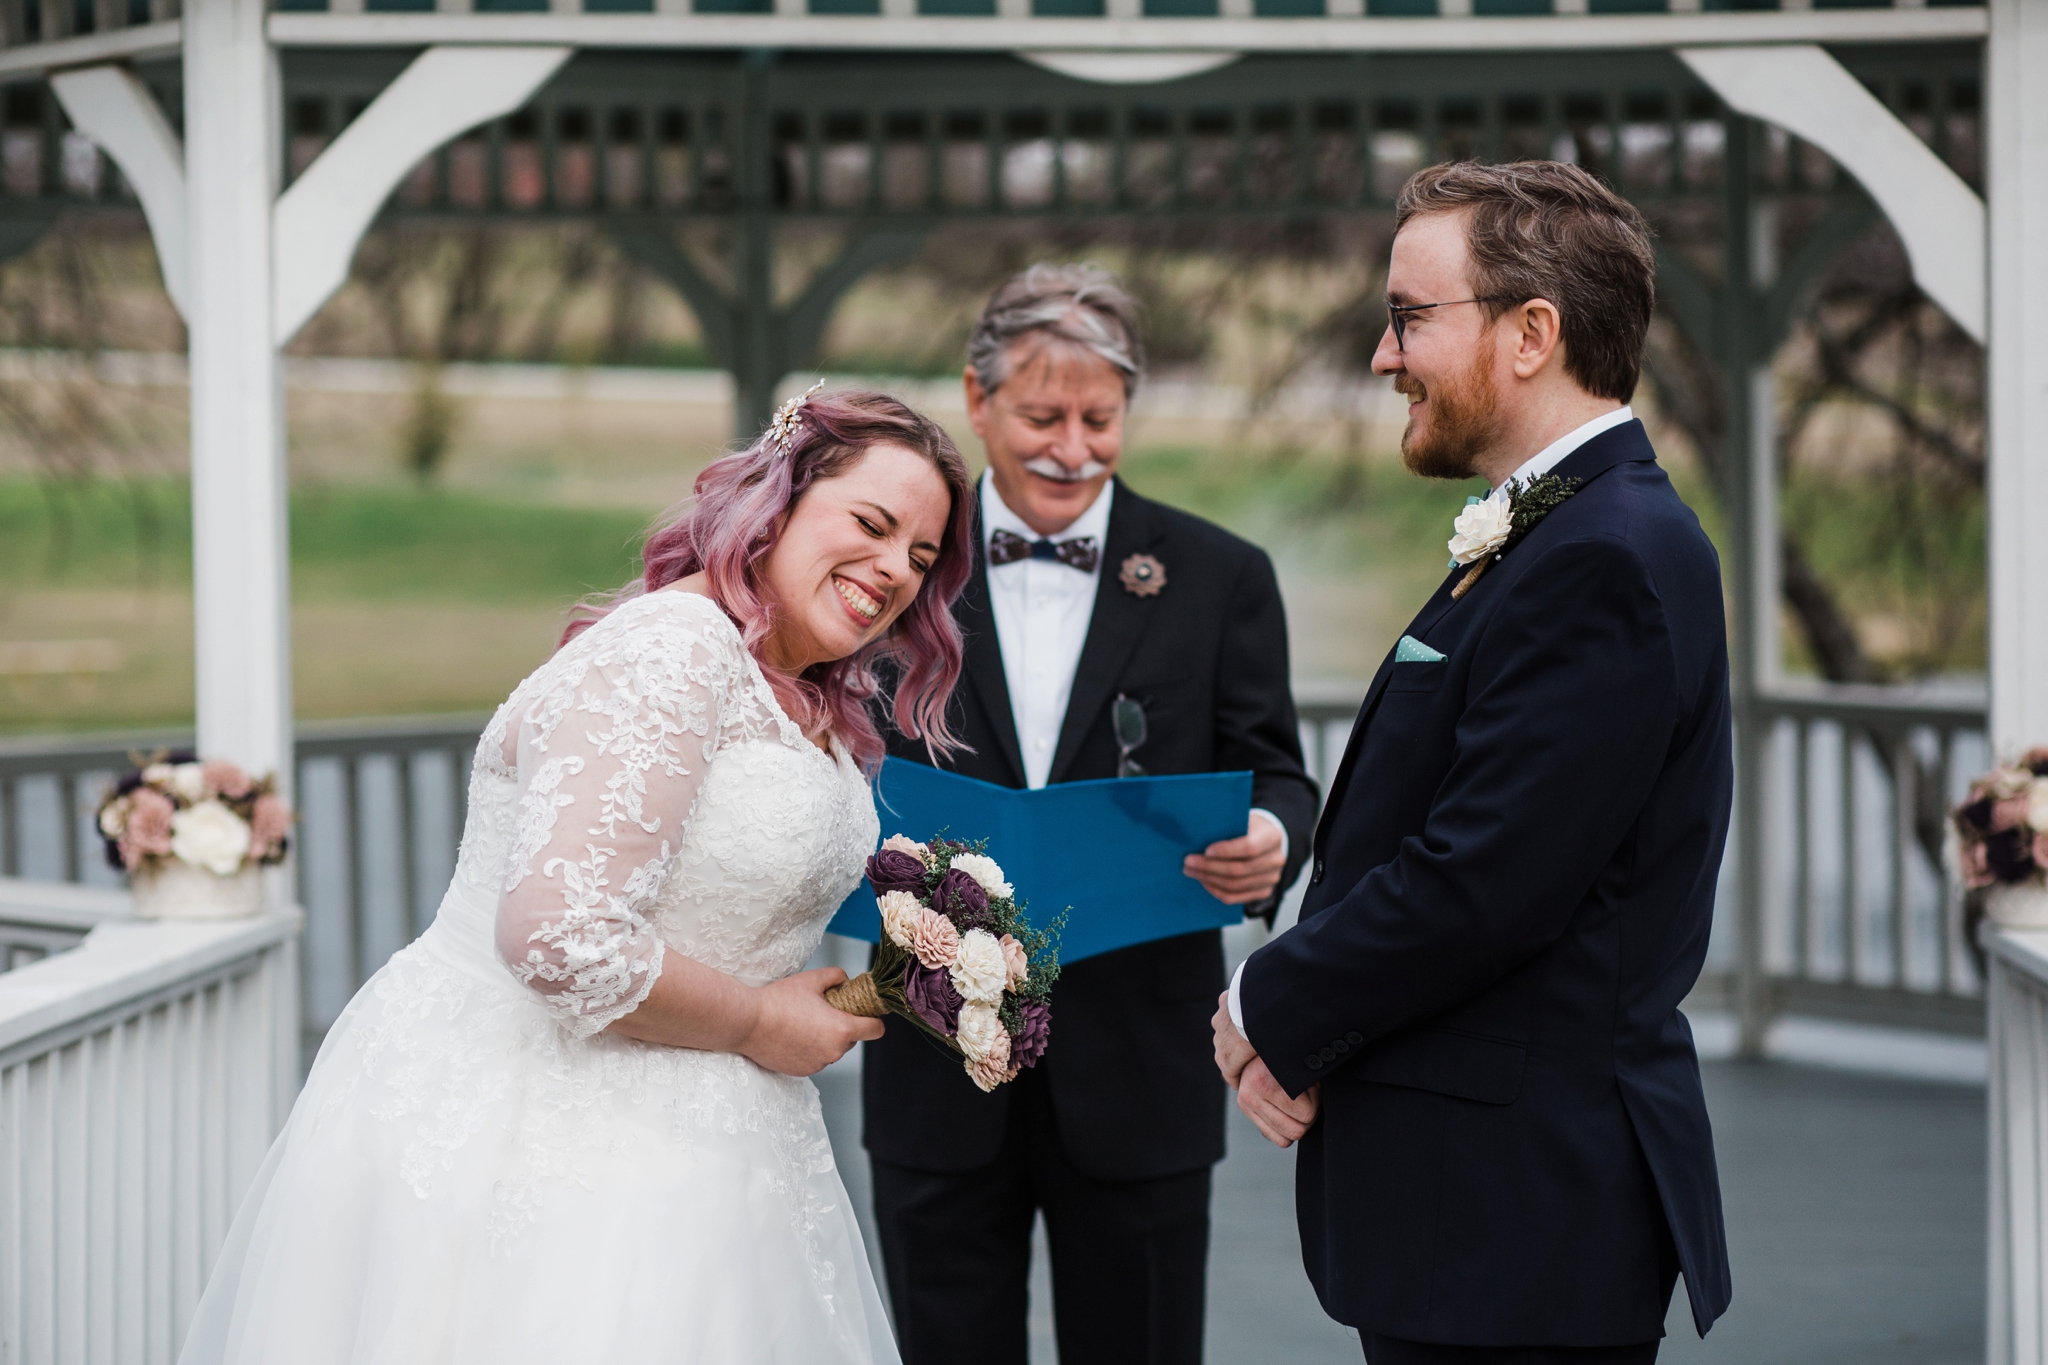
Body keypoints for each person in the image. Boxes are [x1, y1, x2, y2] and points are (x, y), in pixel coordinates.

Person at [179, 390, 977, 1365]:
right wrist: (763, 1023)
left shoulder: (807, 693)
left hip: (719, 1168)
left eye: (921, 557)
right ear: (778, 501)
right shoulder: (671, 649)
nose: (894, 570)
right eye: (872, 525)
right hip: (546, 1148)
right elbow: (562, 936)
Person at [1213, 161, 1735, 1364]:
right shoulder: (1558, 535)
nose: (1383, 357)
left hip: (1516, 1218)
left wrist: (1264, 1006)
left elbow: (1485, 880)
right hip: (1474, 1216)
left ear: (1529, 334)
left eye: (1407, 318)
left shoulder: (1603, 556)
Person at [862, 264, 1319, 1365]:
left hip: (1141, 1062)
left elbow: (1277, 775)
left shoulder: (1219, 576)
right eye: (1040, 416)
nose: (1073, 445)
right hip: (935, 1056)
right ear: (976, 405)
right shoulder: (897, 571)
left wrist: (1270, 844)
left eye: (1099, 418)